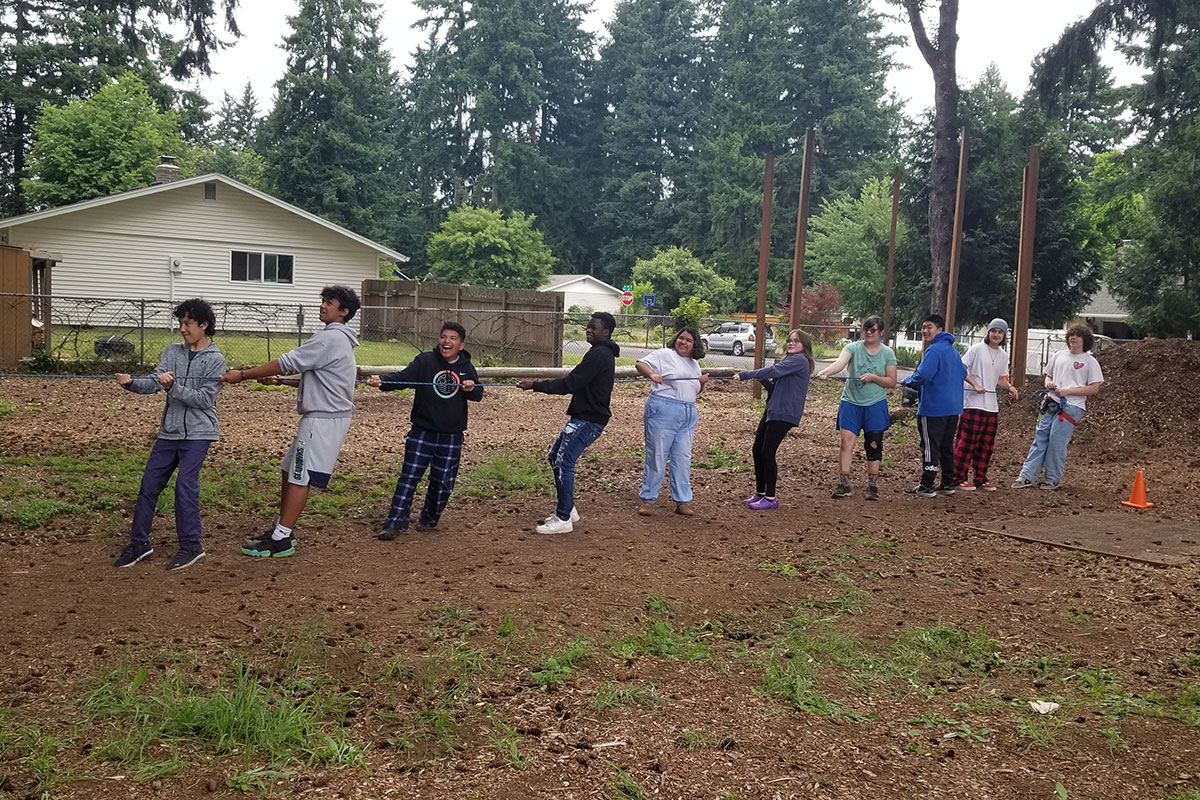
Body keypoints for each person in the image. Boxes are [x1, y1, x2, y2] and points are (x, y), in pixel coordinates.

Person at [221, 285, 360, 557]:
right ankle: (282, 529)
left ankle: (282, 538)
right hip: (321, 417)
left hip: (322, 419)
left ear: (343, 312)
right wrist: (279, 381)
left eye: (329, 302)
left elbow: (287, 361)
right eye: (322, 300)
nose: (322, 305)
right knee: (289, 469)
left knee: (300, 476)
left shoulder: (330, 338)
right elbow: (315, 374)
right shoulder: (336, 339)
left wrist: (243, 374)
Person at [113, 299, 225, 571]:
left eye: (187, 323)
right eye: (180, 323)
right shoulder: (172, 352)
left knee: (185, 487)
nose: (182, 329)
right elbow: (155, 381)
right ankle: (139, 544)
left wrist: (173, 387)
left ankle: (191, 546)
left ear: (203, 325)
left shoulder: (216, 360)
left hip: (199, 433)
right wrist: (130, 384)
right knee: (148, 486)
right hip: (169, 433)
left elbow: (203, 400)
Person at [366, 322, 484, 539]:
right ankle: (394, 523)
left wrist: (471, 386)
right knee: (409, 477)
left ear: (461, 344)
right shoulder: (425, 362)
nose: (447, 342)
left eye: (453, 338)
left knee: (442, 483)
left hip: (451, 436)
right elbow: (404, 378)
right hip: (422, 431)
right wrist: (382, 381)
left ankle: (429, 519)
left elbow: (477, 394)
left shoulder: (466, 367)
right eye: (443, 337)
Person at [517, 311, 619, 534]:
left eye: (593, 327)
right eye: (588, 326)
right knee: (555, 457)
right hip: (583, 417)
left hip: (589, 419)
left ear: (606, 332)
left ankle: (563, 519)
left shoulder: (599, 355)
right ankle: (568, 508)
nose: (588, 330)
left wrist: (535, 385)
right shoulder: (599, 353)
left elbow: (570, 384)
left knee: (564, 462)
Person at [1012, 323, 1104, 491]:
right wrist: (1050, 384)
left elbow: (1094, 388)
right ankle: (1027, 476)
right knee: (1040, 438)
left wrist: (1068, 391)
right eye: (1071, 334)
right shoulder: (1059, 356)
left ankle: (1052, 479)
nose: (1073, 338)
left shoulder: (1090, 362)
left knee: (1057, 441)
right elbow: (1048, 376)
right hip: (1051, 401)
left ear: (1085, 340)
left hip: (1072, 406)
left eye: (1077, 335)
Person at [815, 315, 897, 501]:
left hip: (875, 404)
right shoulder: (852, 347)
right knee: (846, 442)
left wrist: (873, 377)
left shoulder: (887, 353)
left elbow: (891, 381)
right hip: (851, 402)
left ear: (881, 332)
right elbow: (840, 363)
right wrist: (826, 371)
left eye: (873, 329)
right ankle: (844, 483)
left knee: (873, 443)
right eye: (866, 328)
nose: (869, 332)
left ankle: (872, 486)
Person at [734, 329, 814, 511]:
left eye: (796, 341)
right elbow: (773, 388)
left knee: (767, 452)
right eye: (789, 340)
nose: (791, 343)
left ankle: (770, 498)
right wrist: (760, 378)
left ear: (805, 346)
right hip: (773, 410)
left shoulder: (800, 360)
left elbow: (773, 370)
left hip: (784, 413)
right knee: (757, 450)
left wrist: (746, 374)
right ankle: (760, 493)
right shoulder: (790, 361)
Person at [635, 327, 709, 517]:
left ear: (695, 345)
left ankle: (682, 501)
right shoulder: (664, 354)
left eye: (688, 340)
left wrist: (701, 383)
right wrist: (652, 375)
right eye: (681, 338)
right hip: (663, 409)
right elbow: (640, 364)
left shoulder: (694, 364)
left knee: (683, 458)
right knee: (657, 456)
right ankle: (648, 499)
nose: (683, 342)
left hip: (687, 413)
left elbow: (693, 390)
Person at [901, 314, 967, 498]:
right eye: (923, 327)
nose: (924, 331)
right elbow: (963, 372)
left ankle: (927, 484)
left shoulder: (934, 350)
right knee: (946, 446)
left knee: (930, 446)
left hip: (933, 408)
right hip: (953, 408)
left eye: (929, 327)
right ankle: (947, 483)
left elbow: (923, 376)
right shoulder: (953, 351)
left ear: (939, 330)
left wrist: (907, 381)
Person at [953, 318, 1019, 491]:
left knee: (986, 445)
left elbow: (1001, 379)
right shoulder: (976, 349)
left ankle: (980, 478)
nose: (996, 334)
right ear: (988, 332)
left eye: (1000, 332)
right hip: (973, 404)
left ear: (1004, 335)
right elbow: (961, 368)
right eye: (993, 331)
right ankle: (958, 477)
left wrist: (1010, 387)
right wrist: (975, 384)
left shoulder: (1003, 355)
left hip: (991, 406)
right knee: (966, 443)